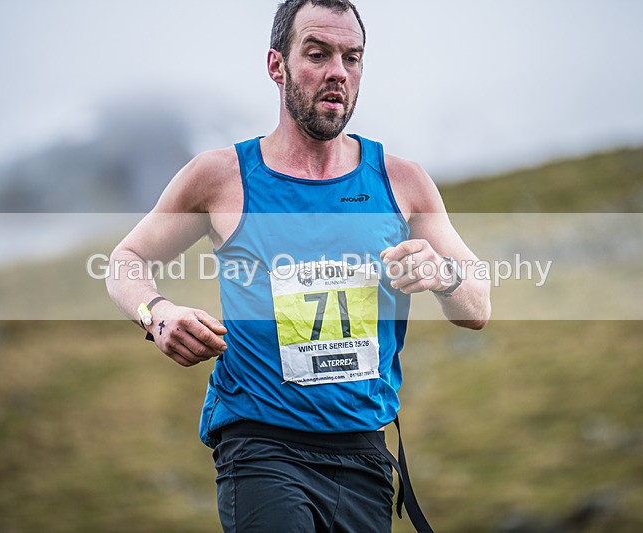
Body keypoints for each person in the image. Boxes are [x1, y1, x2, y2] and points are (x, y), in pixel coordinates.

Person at [107, 0, 491, 531]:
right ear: (276, 66)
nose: (338, 72)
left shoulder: (400, 182)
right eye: (318, 54)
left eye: (352, 58)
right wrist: (158, 313)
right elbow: (125, 260)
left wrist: (442, 276)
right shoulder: (222, 177)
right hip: (262, 449)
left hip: (364, 457)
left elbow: (478, 306)